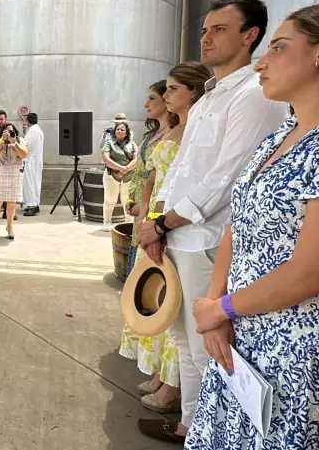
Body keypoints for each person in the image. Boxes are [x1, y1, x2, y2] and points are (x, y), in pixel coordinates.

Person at [185, 2, 319, 449]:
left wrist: (222, 309)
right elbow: (238, 224)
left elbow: (311, 272)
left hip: (298, 357)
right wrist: (216, 306)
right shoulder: (283, 134)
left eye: (278, 48)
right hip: (243, 346)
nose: (261, 62)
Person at [136, 0, 289, 443]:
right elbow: (182, 169)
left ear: (250, 36)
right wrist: (156, 220)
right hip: (180, 235)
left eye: (219, 29)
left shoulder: (253, 95)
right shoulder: (208, 99)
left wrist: (165, 224)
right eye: (204, 30)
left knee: (209, 345)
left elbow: (226, 176)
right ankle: (189, 424)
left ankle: (211, 433)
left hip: (207, 240)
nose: (206, 37)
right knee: (184, 341)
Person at [121, 63, 208, 414]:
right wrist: (148, 216)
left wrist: (161, 223)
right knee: (162, 299)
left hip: (181, 224)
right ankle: (163, 373)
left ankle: (176, 389)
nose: (165, 96)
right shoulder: (172, 130)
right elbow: (159, 181)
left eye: (172, 89)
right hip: (159, 218)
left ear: (192, 91)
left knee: (178, 306)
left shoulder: (198, 130)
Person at [125, 81, 168, 276]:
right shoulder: (152, 134)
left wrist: (144, 208)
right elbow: (141, 171)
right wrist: (133, 199)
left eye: (152, 98)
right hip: (142, 205)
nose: (146, 104)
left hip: (155, 207)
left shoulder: (174, 134)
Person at [0, 122, 28, 240]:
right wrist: (2, 140)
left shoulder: (20, 141)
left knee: (11, 203)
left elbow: (24, 155)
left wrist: (14, 142)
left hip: (15, 173)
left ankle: (9, 227)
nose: (9, 133)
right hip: (1, 172)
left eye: (11, 131)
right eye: (7, 131)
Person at [101, 119, 137, 231]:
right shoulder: (109, 143)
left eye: (122, 129)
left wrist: (127, 169)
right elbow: (106, 159)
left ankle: (128, 222)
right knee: (109, 200)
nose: (120, 131)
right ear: (114, 131)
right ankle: (107, 222)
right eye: (117, 129)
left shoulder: (132, 144)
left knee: (127, 200)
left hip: (129, 177)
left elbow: (137, 159)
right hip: (112, 176)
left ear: (127, 132)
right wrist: (120, 168)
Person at [21, 112, 44, 216]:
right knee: (34, 182)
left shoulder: (33, 131)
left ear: (28, 120)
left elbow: (27, 146)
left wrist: (20, 141)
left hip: (31, 161)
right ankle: (34, 204)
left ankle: (33, 205)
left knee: (30, 183)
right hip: (34, 160)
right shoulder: (37, 130)